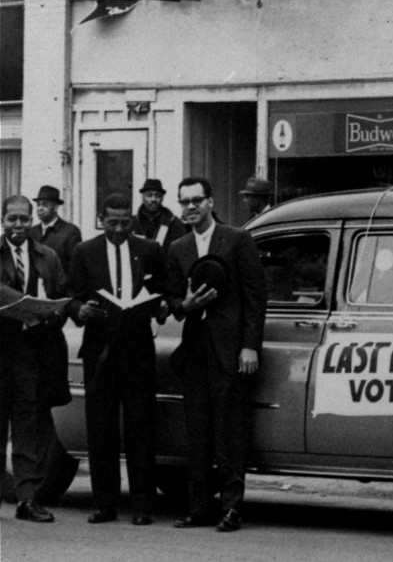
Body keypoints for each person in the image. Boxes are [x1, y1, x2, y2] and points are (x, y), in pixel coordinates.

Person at [166, 176, 267, 532]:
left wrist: (249, 345)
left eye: (196, 201)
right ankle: (198, 509)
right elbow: (172, 300)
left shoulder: (237, 240)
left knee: (230, 432)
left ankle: (231, 508)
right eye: (184, 202)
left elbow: (256, 296)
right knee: (197, 433)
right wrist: (185, 304)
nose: (190, 208)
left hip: (230, 352)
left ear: (210, 202)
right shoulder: (177, 247)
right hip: (195, 351)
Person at [67, 193, 168, 526]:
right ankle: (105, 503)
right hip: (100, 352)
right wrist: (79, 310)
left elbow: (163, 290)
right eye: (113, 222)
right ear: (101, 219)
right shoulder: (86, 251)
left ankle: (142, 505)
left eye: (126, 222)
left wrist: (160, 304)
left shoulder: (149, 250)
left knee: (141, 429)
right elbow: (73, 295)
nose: (120, 229)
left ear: (132, 220)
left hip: (138, 351)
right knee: (101, 430)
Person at [0, 195, 71, 523]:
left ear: (32, 221)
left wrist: (47, 314)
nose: (18, 226)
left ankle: (27, 499)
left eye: (23, 220)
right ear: (3, 221)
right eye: (12, 219)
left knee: (28, 424)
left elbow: (61, 299)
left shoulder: (48, 256)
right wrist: (21, 306)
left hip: (32, 354)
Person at [30, 185, 83, 276]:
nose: (40, 208)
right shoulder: (32, 231)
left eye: (45, 204)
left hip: (58, 288)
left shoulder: (70, 231)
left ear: (56, 207)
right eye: (38, 204)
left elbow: (75, 268)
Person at [133, 178, 188, 250]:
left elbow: (182, 250)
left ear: (162, 198)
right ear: (142, 197)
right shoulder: (132, 222)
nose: (153, 199)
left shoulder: (173, 223)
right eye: (149, 195)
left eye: (158, 195)